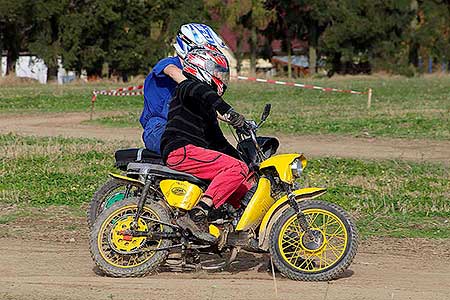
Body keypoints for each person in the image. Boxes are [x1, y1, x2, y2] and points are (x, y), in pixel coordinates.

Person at [160, 47, 252, 243]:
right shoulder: (187, 88)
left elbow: (219, 144)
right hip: (180, 150)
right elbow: (203, 92)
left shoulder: (206, 109)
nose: (222, 77)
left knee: (242, 179)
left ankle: (229, 229)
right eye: (218, 72)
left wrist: (249, 163)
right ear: (202, 68)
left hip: (192, 152)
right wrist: (229, 112)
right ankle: (199, 213)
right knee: (236, 168)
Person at [140, 23, 228, 154]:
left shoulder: (199, 74)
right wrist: (197, 88)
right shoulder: (169, 64)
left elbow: (211, 106)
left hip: (189, 128)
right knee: (191, 151)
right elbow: (172, 72)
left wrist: (233, 118)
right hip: (159, 128)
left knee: (220, 153)